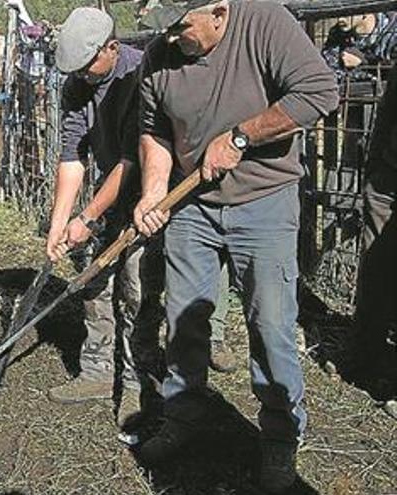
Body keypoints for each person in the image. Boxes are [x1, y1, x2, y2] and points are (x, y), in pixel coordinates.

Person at [134, 0, 338, 491]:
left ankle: (280, 438)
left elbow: (320, 91)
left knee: (270, 324)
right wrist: (154, 190)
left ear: (219, 13)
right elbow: (154, 130)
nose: (171, 39)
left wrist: (241, 138)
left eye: (182, 27)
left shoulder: (264, 21)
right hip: (192, 206)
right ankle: (183, 416)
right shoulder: (160, 54)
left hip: (264, 201)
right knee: (183, 319)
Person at [43, 7, 159, 428]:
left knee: (135, 289)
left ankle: (135, 384)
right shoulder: (78, 84)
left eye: (89, 67)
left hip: (149, 193)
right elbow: (72, 155)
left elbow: (131, 160)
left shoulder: (137, 76)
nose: (84, 77)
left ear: (112, 47)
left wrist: (86, 217)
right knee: (95, 280)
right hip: (109, 195)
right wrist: (60, 222)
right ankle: (96, 372)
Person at [352, 63, 397, 419]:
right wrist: (373, 175)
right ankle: (365, 360)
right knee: (375, 273)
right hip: (388, 178)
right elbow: (386, 115)